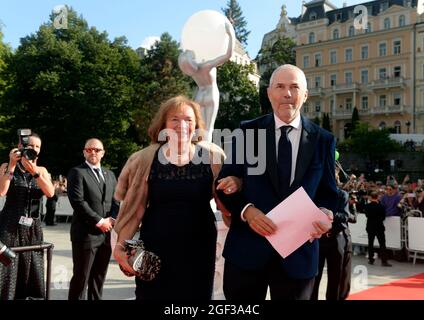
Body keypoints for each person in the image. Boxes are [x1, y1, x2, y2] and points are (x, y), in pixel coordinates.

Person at [216, 64, 338, 300]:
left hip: (298, 257)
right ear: (269, 93)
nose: (287, 94)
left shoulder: (323, 140)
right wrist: (247, 212)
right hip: (247, 254)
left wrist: (326, 213)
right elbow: (225, 184)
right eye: (280, 87)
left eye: (294, 87)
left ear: (305, 95)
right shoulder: (248, 132)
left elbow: (329, 194)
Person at [113, 95, 237, 301]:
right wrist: (120, 246)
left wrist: (234, 185)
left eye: (188, 120)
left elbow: (226, 205)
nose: (182, 125)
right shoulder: (145, 158)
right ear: (163, 124)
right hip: (156, 248)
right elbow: (136, 210)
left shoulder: (213, 157)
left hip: (199, 247)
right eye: (175, 119)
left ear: (196, 124)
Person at [0, 133, 55, 299]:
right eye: (30, 146)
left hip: (33, 228)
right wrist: (11, 164)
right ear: (21, 146)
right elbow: (2, 191)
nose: (34, 149)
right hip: (9, 226)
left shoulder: (42, 170)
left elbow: (50, 192)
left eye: (37, 146)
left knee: (32, 270)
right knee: (8, 271)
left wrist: (34, 172)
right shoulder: (6, 166)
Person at [67, 138, 119, 300]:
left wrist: (111, 219)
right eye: (89, 149)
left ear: (102, 153)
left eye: (97, 150)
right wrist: (99, 221)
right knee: (81, 278)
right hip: (85, 235)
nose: (93, 152)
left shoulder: (110, 175)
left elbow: (116, 200)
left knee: (98, 279)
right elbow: (78, 201)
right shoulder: (77, 172)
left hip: (106, 235)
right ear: (84, 152)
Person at [178, 21, 234, 142]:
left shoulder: (193, 71)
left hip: (199, 96)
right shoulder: (207, 65)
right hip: (211, 94)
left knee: (199, 128)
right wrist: (230, 33)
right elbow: (228, 55)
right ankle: (206, 155)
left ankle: (196, 152)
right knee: (208, 129)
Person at [364, 191, 392, 267]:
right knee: (382, 244)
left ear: (370, 197)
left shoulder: (367, 206)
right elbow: (383, 217)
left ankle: (371, 259)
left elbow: (367, 215)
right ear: (377, 197)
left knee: (370, 243)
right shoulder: (381, 206)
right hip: (379, 226)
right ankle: (384, 261)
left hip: (370, 226)